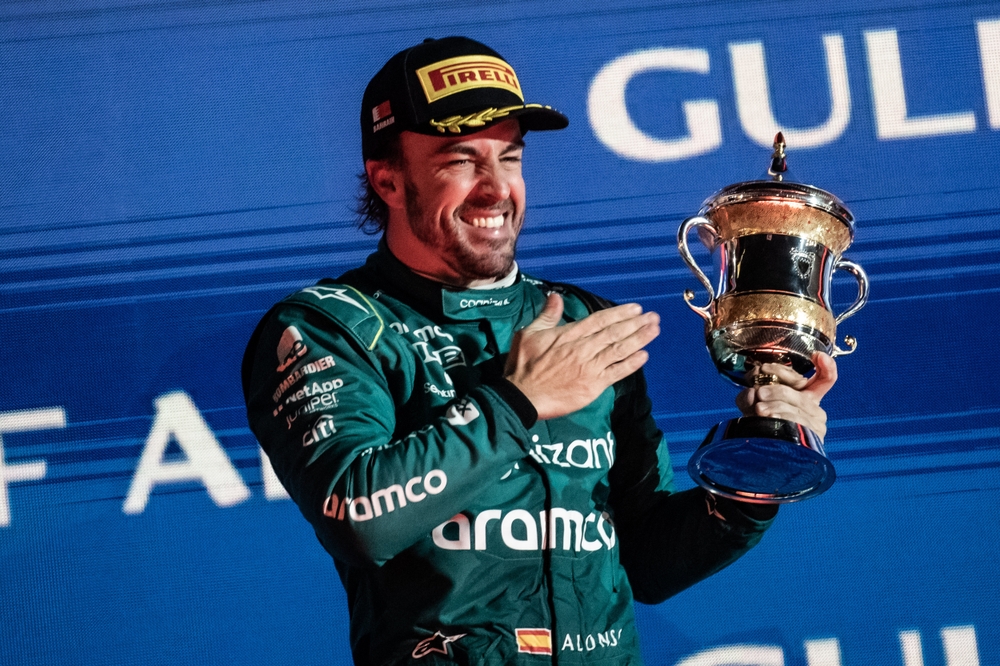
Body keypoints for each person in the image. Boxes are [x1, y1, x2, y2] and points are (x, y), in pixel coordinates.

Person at [242, 36, 837, 665]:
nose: (495, 189)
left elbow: (646, 562)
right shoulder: (328, 327)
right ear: (387, 179)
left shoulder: (586, 322)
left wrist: (754, 473)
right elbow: (358, 518)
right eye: (460, 160)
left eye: (510, 158)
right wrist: (516, 402)